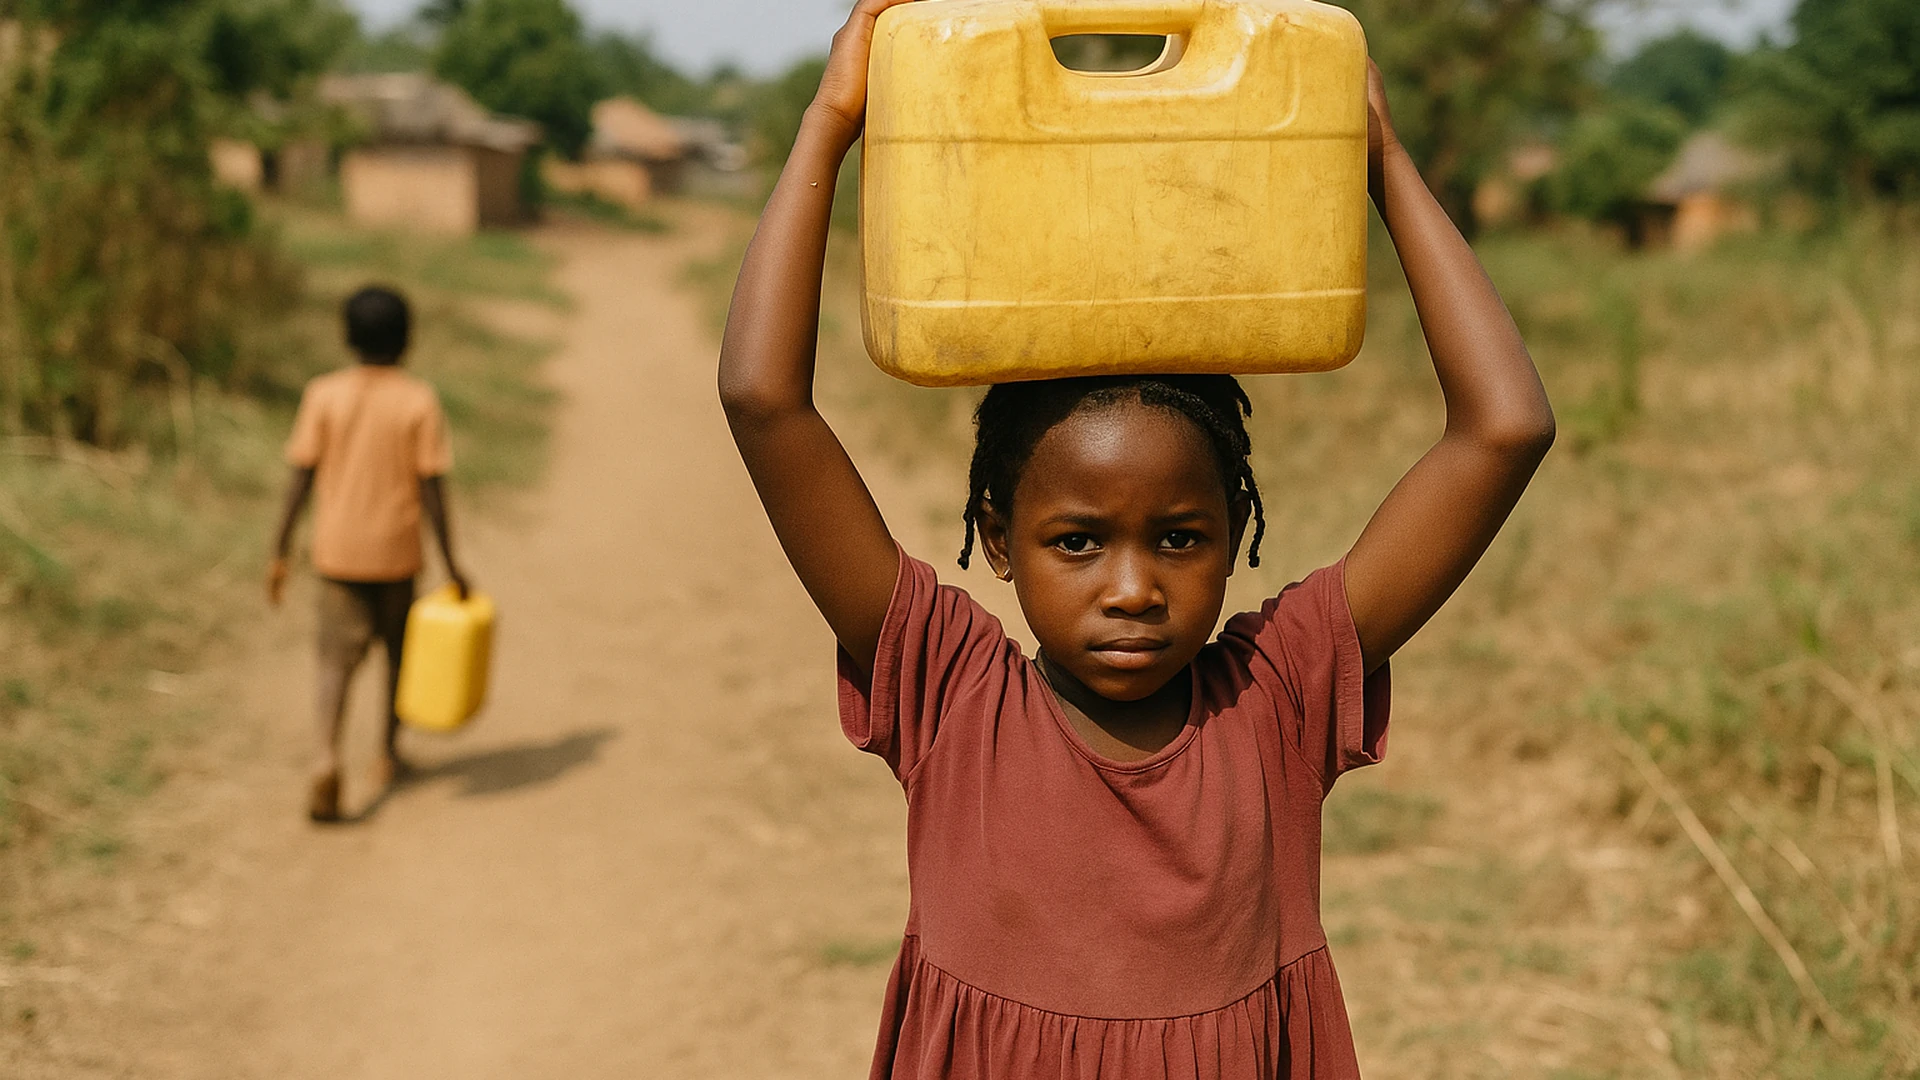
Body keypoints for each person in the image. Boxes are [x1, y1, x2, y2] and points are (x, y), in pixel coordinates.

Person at [719, 1, 1555, 1074]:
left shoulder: (1280, 696)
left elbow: (1506, 427)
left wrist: (1378, 158)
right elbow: (763, 400)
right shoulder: (948, 691)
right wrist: (829, 125)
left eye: (1179, 538)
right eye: (1077, 542)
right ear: (998, 535)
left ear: (1237, 531)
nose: (1132, 589)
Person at [269, 286, 469, 823]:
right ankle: (387, 753)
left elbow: (300, 477)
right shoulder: (418, 401)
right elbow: (432, 491)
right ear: (407, 340)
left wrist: (279, 549)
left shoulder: (322, 395)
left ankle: (325, 755)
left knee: (334, 662)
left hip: (337, 556)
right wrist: (453, 566)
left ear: (347, 337)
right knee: (398, 657)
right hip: (397, 557)